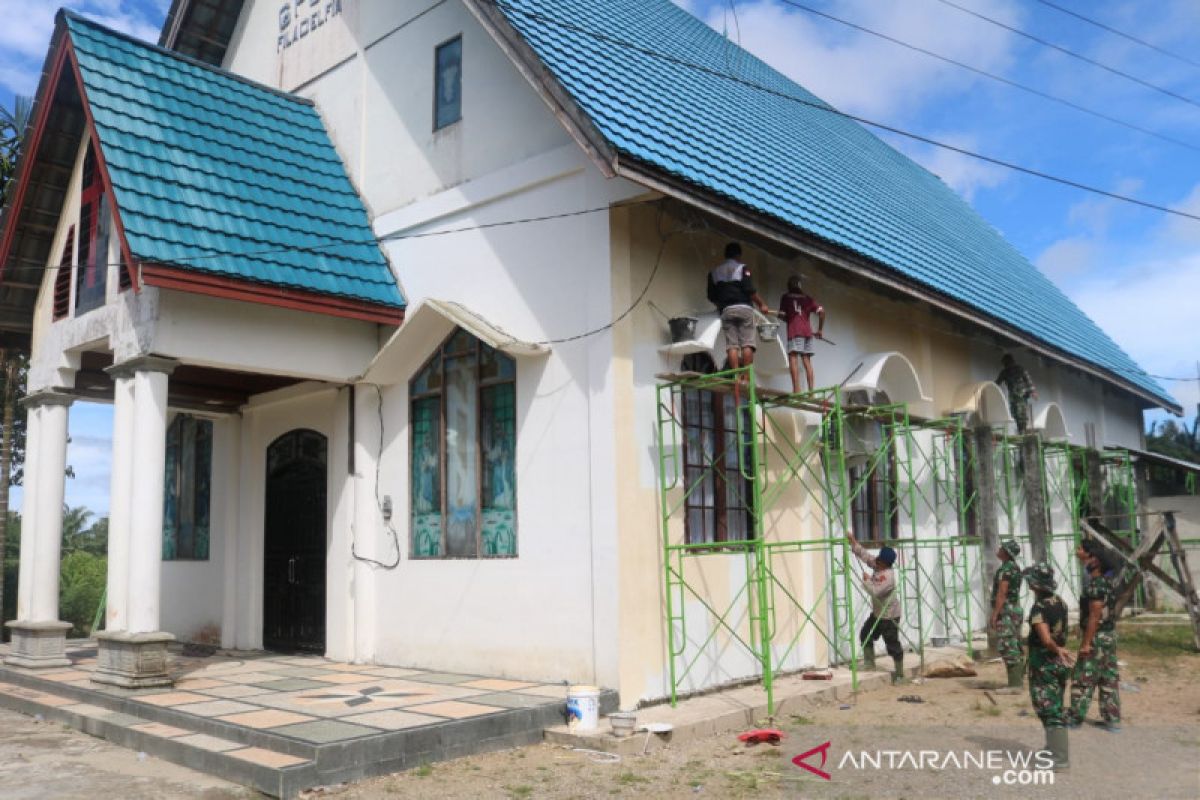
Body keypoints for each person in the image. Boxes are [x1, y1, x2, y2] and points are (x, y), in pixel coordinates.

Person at [1023, 561, 1074, 771]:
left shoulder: (1039, 608)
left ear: (1035, 585)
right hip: (1057, 663)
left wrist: (1054, 648)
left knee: (1049, 709)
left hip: (1044, 662)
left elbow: (1045, 639)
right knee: (1053, 705)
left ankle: (1060, 759)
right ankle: (1052, 749)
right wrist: (1059, 649)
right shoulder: (1060, 602)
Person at [707, 242, 772, 403]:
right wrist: (762, 304)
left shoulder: (714, 272)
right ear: (738, 255)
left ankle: (736, 374)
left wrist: (721, 304)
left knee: (732, 345)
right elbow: (750, 290)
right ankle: (746, 375)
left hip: (727, 310)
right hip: (744, 308)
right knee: (747, 344)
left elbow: (711, 295)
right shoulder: (742, 268)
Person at [1068, 539, 1121, 732]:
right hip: (1108, 636)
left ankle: (1074, 718)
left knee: (1083, 677)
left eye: (1082, 549)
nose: (1078, 551)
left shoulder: (1096, 586)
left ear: (1094, 559)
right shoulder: (1106, 583)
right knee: (1108, 677)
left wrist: (1086, 643)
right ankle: (1112, 720)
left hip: (1097, 637)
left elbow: (1095, 615)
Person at [846, 531, 905, 683]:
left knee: (892, 644)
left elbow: (875, 591)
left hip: (889, 616)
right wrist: (853, 541)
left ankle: (899, 674)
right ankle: (869, 663)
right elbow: (865, 556)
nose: (876, 562)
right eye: (877, 559)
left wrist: (866, 580)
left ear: (886, 563)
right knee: (865, 634)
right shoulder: (879, 565)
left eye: (879, 561)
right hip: (878, 613)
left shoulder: (888, 577)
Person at [777, 275, 825, 393]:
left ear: (789, 286)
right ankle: (811, 391)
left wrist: (782, 316)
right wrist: (819, 330)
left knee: (793, 357)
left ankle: (796, 389)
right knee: (806, 360)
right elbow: (822, 312)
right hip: (807, 332)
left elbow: (782, 315)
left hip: (794, 331)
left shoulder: (786, 297)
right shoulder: (808, 299)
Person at [989, 538, 1025, 690]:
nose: (999, 549)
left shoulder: (1006, 570)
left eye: (1002, 548)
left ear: (1006, 553)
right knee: (1014, 643)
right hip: (1014, 608)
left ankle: (1015, 684)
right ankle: (1018, 679)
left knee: (1007, 645)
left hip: (1007, 610)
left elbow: (1002, 593)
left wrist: (995, 614)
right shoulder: (1014, 567)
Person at [996, 354, 1038, 433]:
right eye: (1005, 364)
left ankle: (1023, 430)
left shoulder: (1020, 369)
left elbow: (1028, 380)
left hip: (1021, 394)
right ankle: (1020, 429)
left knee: (1021, 413)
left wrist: (1033, 391)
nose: (1006, 365)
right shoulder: (1005, 372)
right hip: (1013, 395)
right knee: (1014, 413)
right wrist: (989, 387)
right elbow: (998, 382)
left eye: (1006, 363)